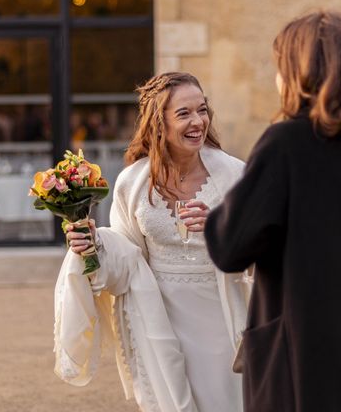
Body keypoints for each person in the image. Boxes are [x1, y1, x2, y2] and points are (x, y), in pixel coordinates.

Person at [204, 10, 341, 412]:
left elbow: (229, 246)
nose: (277, 79)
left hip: (299, 357)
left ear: (300, 73)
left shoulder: (287, 143)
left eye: (280, 67)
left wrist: (221, 207)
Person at [58, 72, 249, 412]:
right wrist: (92, 246)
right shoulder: (132, 183)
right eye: (184, 113)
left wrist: (223, 227)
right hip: (157, 318)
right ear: (158, 122)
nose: (198, 122)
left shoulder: (236, 176)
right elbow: (126, 259)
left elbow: (267, 245)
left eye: (202, 110)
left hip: (223, 316)